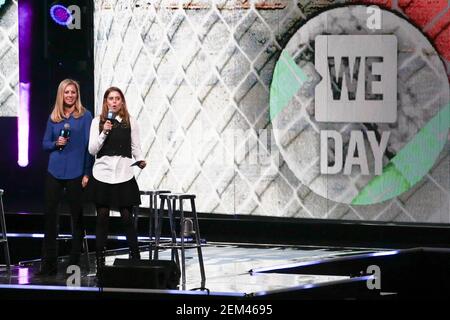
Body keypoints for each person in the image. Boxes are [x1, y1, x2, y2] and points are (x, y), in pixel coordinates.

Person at [88, 87, 146, 273]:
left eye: (117, 98)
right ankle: (100, 260)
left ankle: (135, 256)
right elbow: (92, 150)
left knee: (127, 218)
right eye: (110, 98)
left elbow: (136, 147)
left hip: (123, 175)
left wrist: (140, 160)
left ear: (122, 102)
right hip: (103, 175)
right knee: (102, 217)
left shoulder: (131, 122)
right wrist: (104, 131)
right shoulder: (98, 121)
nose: (114, 101)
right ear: (106, 102)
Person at [40, 79, 93, 275]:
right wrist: (56, 142)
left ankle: (74, 264)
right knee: (50, 217)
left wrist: (87, 171)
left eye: (73, 92)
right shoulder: (54, 117)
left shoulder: (85, 116)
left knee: (76, 217)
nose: (70, 96)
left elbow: (89, 147)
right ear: (61, 95)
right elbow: (44, 144)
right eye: (66, 92)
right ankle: (48, 264)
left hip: (76, 172)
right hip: (54, 170)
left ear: (77, 95)